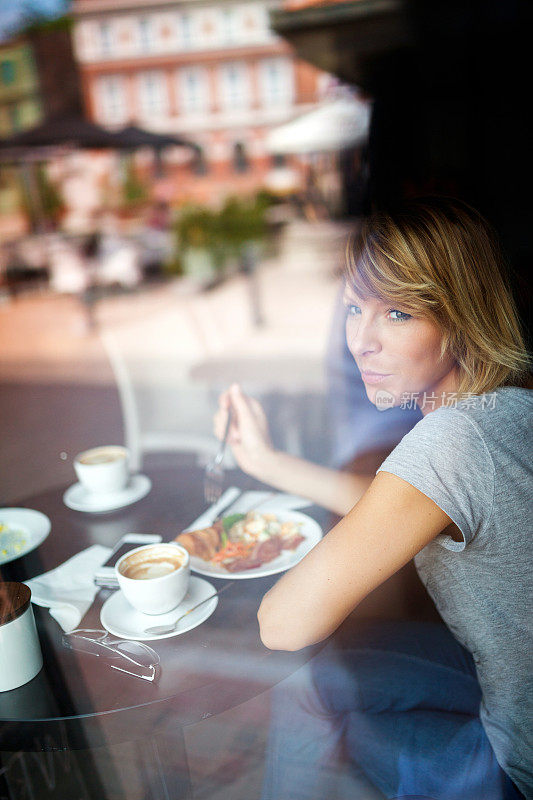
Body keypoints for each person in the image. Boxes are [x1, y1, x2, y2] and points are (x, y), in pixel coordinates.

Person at [214, 197, 532, 799]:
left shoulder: (450, 441)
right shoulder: (508, 400)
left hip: (517, 752)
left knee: (298, 677)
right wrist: (267, 461)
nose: (361, 341)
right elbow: (403, 506)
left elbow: (282, 624)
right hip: (505, 672)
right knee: (341, 659)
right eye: (354, 306)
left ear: (461, 316)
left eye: (398, 313)